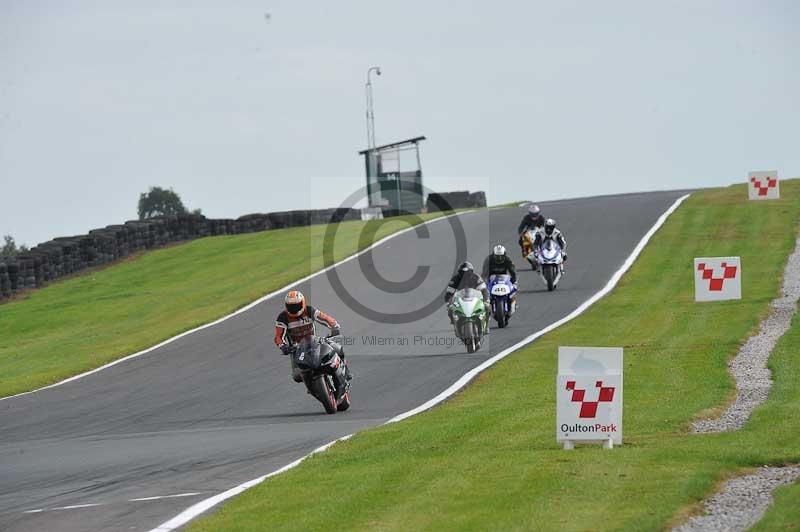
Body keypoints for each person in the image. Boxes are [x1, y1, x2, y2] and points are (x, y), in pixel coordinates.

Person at [274, 290, 351, 383]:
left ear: (302, 303)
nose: (294, 308)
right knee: (297, 376)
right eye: (291, 306)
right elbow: (279, 336)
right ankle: (312, 386)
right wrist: (283, 346)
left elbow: (324, 318)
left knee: (338, 349)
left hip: (314, 342)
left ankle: (346, 371)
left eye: (296, 305)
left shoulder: (309, 310)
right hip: (296, 349)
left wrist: (334, 326)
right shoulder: (283, 317)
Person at [444, 262, 491, 330]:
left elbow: (483, 289)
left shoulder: (476, 277)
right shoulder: (455, 279)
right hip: (460, 299)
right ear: (459, 273)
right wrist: (448, 302)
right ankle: (454, 322)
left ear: (471, 272)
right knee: (450, 309)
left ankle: (486, 324)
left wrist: (486, 300)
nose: (465, 275)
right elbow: (449, 292)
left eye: (467, 273)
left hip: (475, 299)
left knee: (487, 306)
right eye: (462, 273)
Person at [482, 244, 518, 316]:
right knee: (484, 294)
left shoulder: (508, 260)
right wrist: (484, 281)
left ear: (504, 255)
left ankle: (513, 303)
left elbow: (512, 271)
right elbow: (484, 272)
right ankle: (487, 307)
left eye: (501, 256)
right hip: (491, 279)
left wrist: (514, 281)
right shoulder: (489, 260)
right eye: (497, 256)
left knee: (513, 290)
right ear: (494, 255)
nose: (499, 258)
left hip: (503, 279)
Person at [518, 204, 546, 270]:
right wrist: (520, 233)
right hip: (529, 232)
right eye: (532, 214)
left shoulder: (541, 218)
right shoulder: (526, 218)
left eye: (535, 214)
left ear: (538, 213)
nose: (534, 216)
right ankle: (524, 250)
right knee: (520, 240)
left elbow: (545, 225)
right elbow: (521, 227)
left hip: (538, 232)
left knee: (546, 240)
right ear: (529, 213)